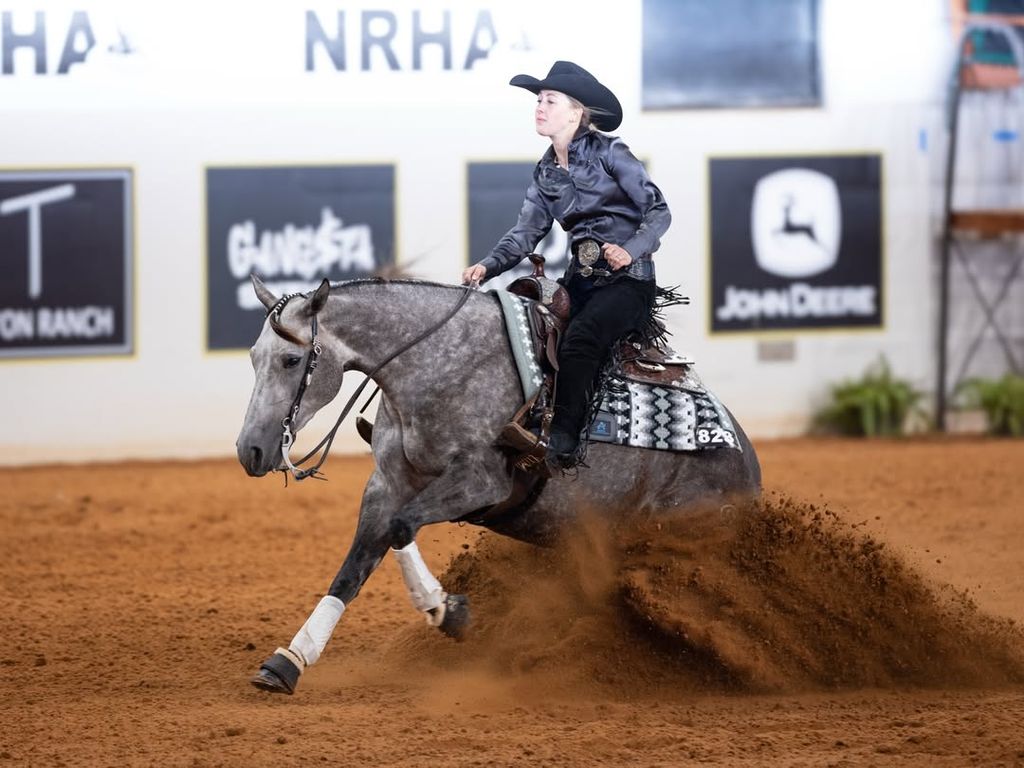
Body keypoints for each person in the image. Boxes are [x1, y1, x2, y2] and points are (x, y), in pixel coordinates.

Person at [462, 60, 671, 467]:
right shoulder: (544, 173)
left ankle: (563, 443)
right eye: (538, 100)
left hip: (629, 282)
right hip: (580, 282)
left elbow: (658, 210)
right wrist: (487, 266)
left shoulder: (612, 152)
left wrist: (630, 248)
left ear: (576, 112)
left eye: (549, 100)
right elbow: (525, 233)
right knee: (525, 332)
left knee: (581, 340)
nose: (539, 107)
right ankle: (527, 421)